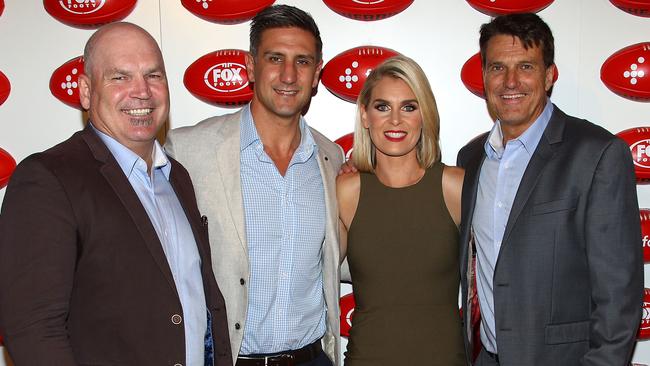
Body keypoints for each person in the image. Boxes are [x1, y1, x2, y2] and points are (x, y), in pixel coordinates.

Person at [0, 22, 232, 366]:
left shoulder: (177, 177)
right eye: (119, 77)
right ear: (84, 90)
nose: (142, 91)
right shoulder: (48, 179)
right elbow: (34, 331)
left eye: (153, 76)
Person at [457, 13, 643, 366]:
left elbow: (619, 297)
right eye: (497, 68)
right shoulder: (470, 160)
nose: (510, 81)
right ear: (484, 76)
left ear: (549, 75)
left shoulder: (597, 154)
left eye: (525, 66)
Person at [164, 5, 344, 366]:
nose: (289, 75)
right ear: (250, 66)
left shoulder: (332, 158)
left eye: (303, 61)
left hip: (312, 359)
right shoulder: (188, 151)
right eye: (275, 58)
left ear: (317, 73)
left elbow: (340, 259)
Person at [336, 55, 465, 366]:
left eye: (409, 107)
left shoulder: (454, 187)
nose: (395, 120)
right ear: (365, 116)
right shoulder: (346, 192)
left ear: (425, 115)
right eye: (382, 107)